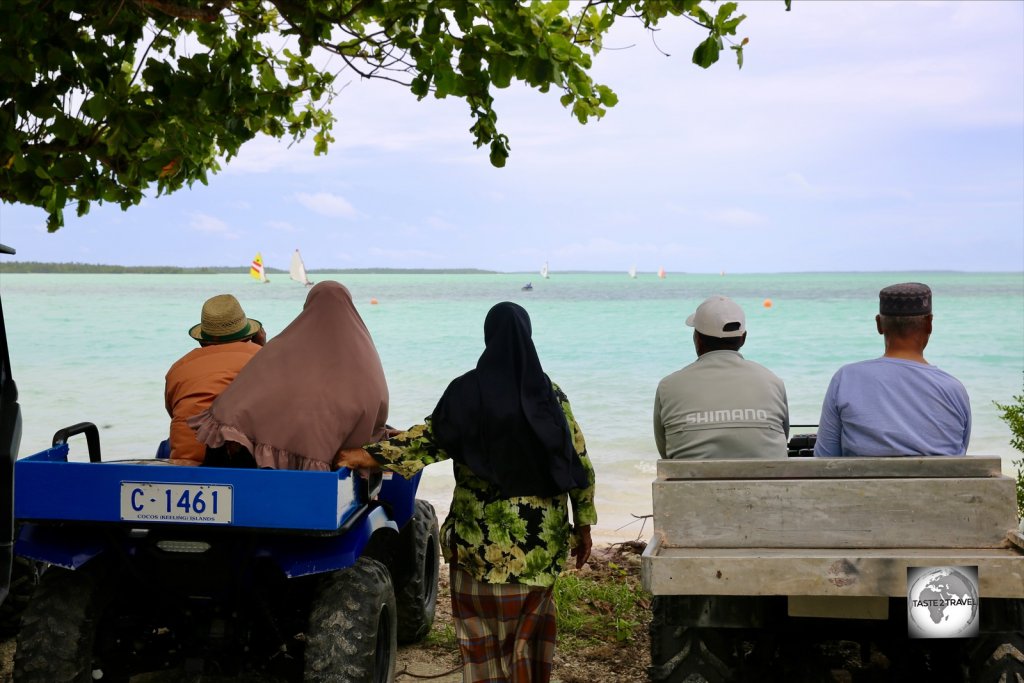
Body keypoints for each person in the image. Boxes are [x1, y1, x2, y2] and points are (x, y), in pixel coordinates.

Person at [336, 301, 596, 683]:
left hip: (478, 552)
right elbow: (580, 464)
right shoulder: (550, 395)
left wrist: (364, 456)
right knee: (528, 650)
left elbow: (426, 443)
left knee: (482, 651)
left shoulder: (466, 392)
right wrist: (584, 525)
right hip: (541, 551)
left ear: (489, 338)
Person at [189, 280, 389, 470]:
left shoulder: (277, 350)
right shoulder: (367, 361)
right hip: (329, 467)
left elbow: (232, 410)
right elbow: (375, 414)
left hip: (260, 463)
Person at [814, 282, 971, 457]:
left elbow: (825, 459)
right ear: (929, 324)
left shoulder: (846, 379)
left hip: (862, 486)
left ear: (879, 324)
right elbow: (960, 455)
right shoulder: (954, 390)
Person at [653, 295, 789, 460]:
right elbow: (783, 436)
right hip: (768, 486)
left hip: (689, 485)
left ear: (697, 339)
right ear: (743, 338)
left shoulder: (669, 386)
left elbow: (665, 453)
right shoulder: (773, 382)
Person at [164, 294, 265, 463]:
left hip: (185, 462)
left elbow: (174, 411)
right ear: (250, 335)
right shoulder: (263, 358)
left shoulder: (179, 367)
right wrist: (263, 348)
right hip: (242, 463)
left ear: (203, 341)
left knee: (165, 445)